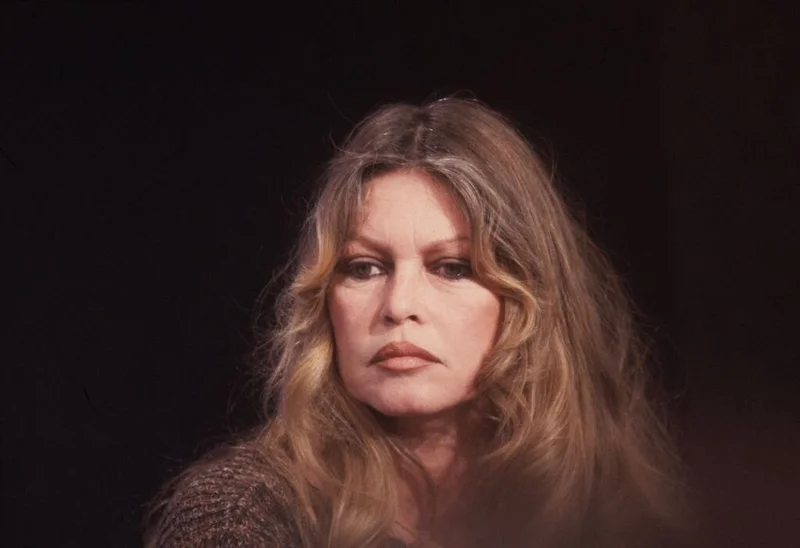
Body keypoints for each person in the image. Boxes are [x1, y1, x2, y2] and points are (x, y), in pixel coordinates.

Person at [143, 98, 686, 547]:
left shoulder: (616, 512)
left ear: (530, 300)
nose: (399, 305)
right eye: (364, 268)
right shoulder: (240, 512)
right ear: (323, 299)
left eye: (452, 267)